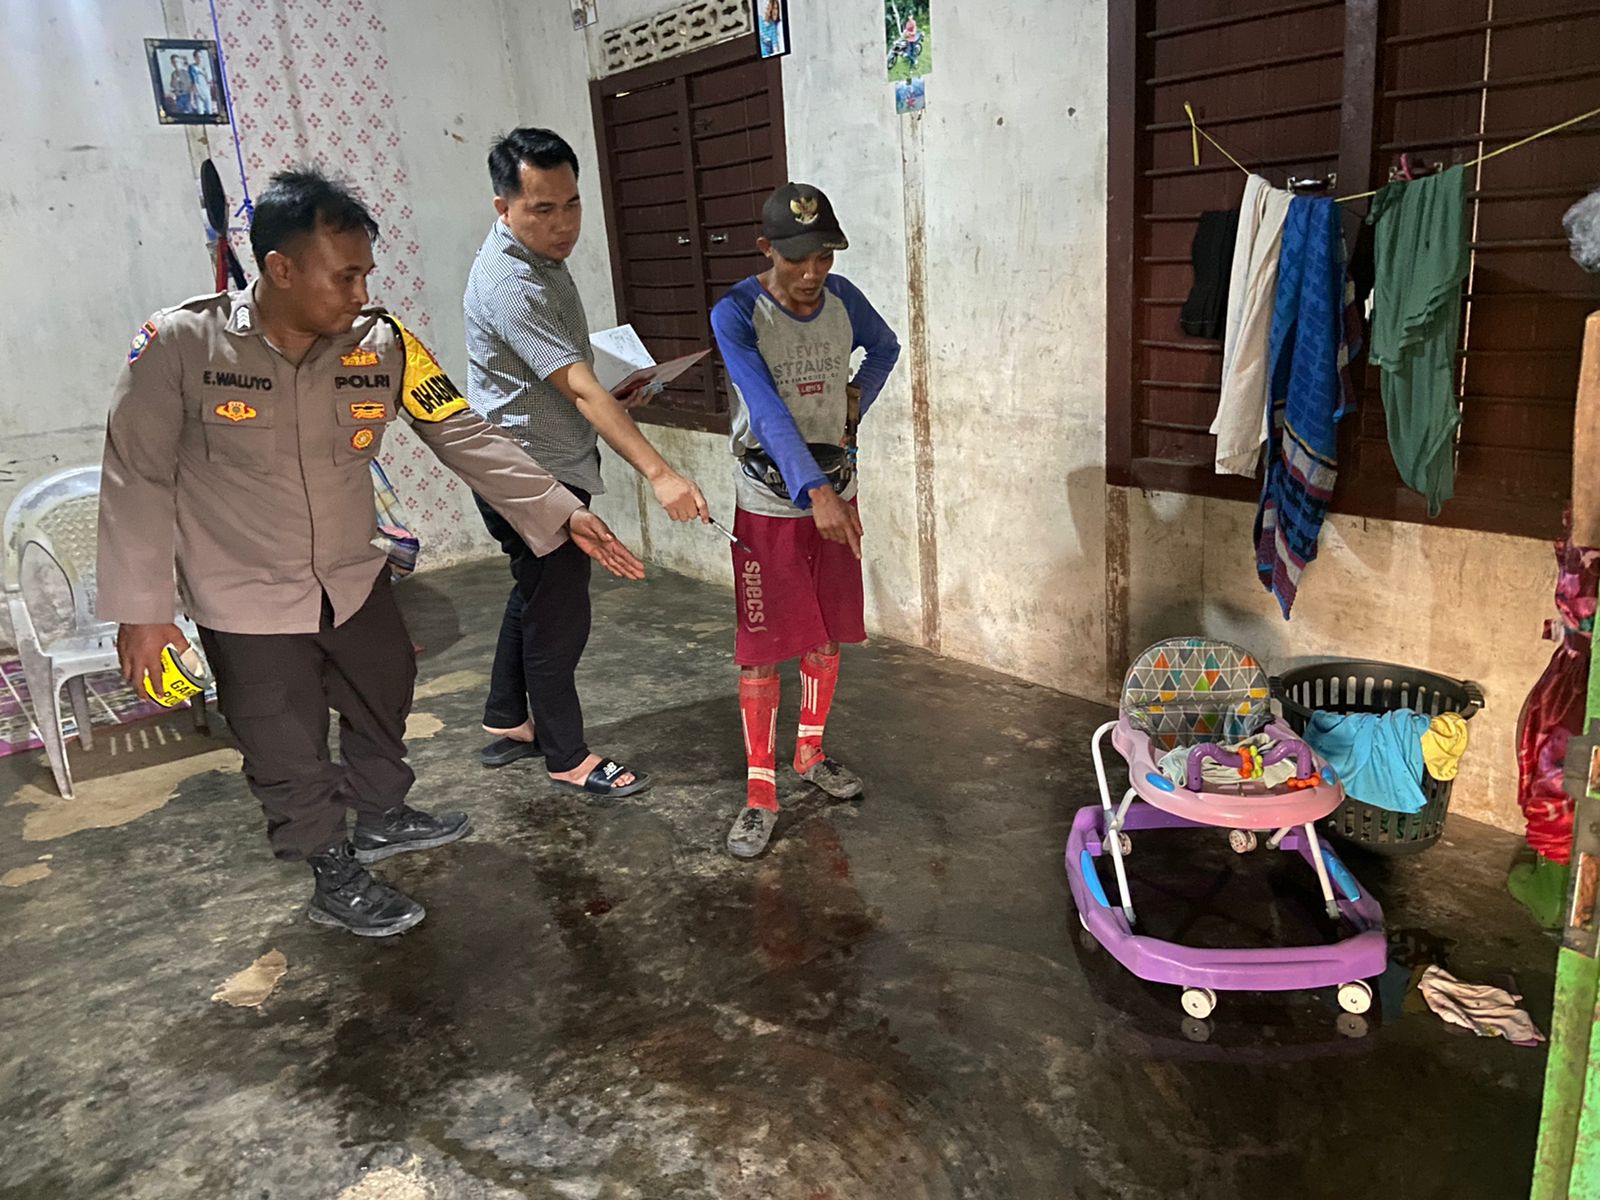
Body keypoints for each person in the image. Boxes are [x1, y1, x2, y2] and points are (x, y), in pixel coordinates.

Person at [98, 168, 644, 937]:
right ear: (281, 269)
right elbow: (135, 475)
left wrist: (556, 508)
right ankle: (330, 868)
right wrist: (142, 611)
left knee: (384, 689)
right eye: (343, 275)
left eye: (365, 275)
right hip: (243, 594)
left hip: (352, 579)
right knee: (283, 739)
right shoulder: (182, 346)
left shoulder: (384, 344)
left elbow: (459, 429)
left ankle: (382, 815)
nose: (359, 293)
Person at [464, 127, 708, 795]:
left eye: (571, 204)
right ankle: (567, 757)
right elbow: (574, 383)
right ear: (503, 207)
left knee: (536, 593)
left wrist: (613, 393)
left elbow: (563, 378)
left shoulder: (539, 259)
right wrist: (660, 472)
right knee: (560, 616)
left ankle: (508, 719)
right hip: (530, 479)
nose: (562, 223)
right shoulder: (513, 281)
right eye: (542, 209)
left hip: (541, 461)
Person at [710, 183, 900, 858]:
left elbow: (886, 348)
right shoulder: (736, 312)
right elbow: (763, 407)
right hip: (769, 498)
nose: (813, 272)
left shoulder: (844, 300)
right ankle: (760, 793)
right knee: (763, 647)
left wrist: (857, 400)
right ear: (766, 250)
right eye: (797, 258)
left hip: (835, 488)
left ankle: (809, 754)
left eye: (823, 255)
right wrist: (812, 490)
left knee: (825, 633)